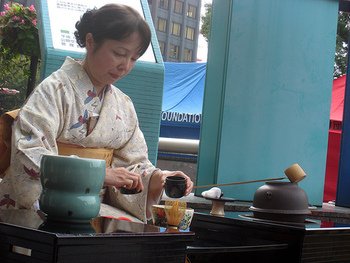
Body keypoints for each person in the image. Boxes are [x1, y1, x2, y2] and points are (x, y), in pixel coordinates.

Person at [0, 4, 193, 223]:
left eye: (133, 58)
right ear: (90, 42)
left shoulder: (124, 104)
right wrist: (98, 175)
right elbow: (30, 153)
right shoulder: (53, 91)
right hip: (48, 205)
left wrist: (159, 178)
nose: (125, 66)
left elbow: (132, 165)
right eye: (120, 53)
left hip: (97, 208)